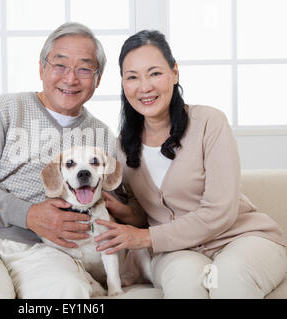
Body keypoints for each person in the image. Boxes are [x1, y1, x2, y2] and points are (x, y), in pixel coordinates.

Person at [94, 30, 287, 298]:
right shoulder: (124, 145)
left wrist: (146, 238)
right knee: (184, 284)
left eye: (154, 73)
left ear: (174, 73)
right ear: (123, 84)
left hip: (240, 238)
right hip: (177, 252)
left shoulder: (210, 122)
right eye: (132, 77)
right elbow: (150, 212)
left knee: (229, 279)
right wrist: (126, 213)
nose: (144, 86)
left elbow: (220, 211)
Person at [0, 22, 117, 299]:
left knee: (71, 291)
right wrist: (28, 215)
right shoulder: (5, 110)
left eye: (84, 68)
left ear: (98, 78)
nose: (70, 79)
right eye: (60, 65)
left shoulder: (102, 137)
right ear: (42, 68)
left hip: (45, 249)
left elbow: (126, 201)